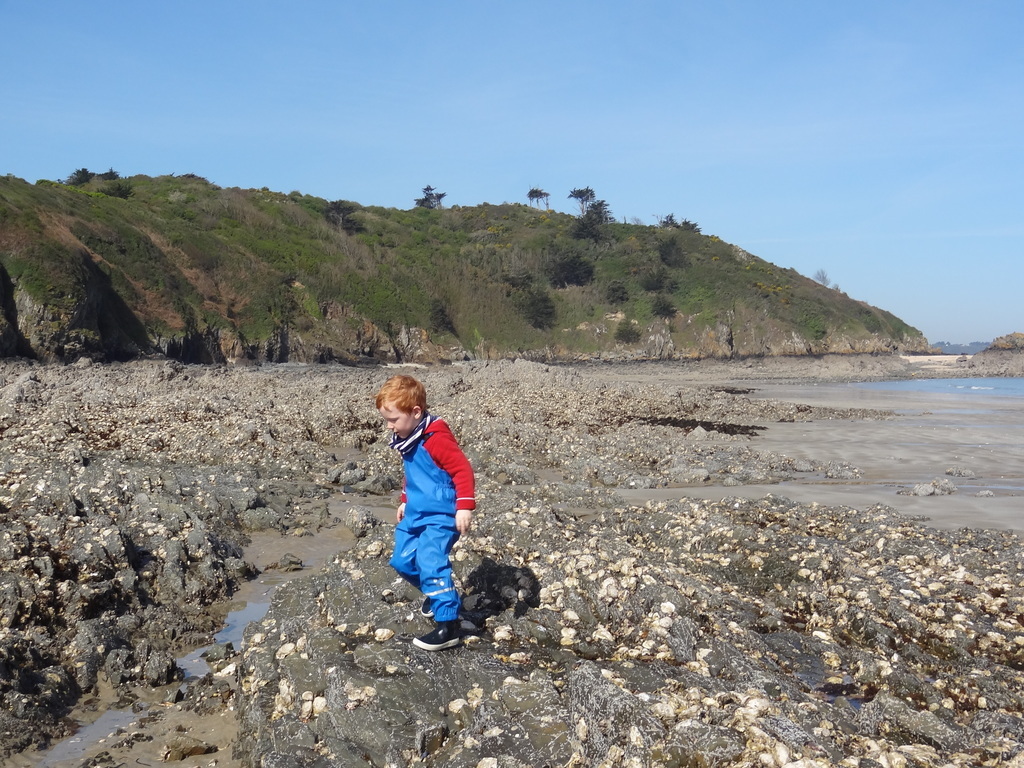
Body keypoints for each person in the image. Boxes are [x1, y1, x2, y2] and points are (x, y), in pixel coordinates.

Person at [375, 375, 475, 650]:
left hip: (441, 515)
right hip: (416, 511)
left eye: (393, 419)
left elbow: (462, 470)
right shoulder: (408, 438)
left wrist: (464, 507)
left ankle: (449, 625)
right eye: (386, 419)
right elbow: (412, 474)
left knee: (431, 561)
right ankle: (436, 591)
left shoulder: (436, 439)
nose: (389, 425)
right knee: (402, 560)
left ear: (415, 412)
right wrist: (405, 500)